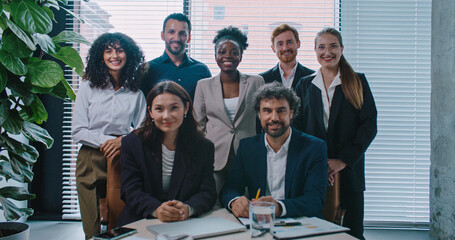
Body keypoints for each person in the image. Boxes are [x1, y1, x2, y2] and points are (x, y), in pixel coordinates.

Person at [293, 27, 377, 240]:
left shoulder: (357, 81)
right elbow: (298, 130)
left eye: (333, 46)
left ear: (341, 49)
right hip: (314, 171)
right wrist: (318, 162)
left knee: (353, 232)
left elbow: (369, 126)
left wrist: (342, 161)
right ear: (314, 50)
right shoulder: (304, 84)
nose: (327, 52)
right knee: (315, 231)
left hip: (349, 171)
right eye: (321, 47)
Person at [72, 32, 147, 239]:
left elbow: (142, 130)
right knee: (92, 225)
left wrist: (121, 141)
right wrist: (109, 141)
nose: (114, 55)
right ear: (101, 56)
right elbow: (78, 130)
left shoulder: (135, 93)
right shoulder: (88, 88)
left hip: (122, 157)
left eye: (120, 50)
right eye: (108, 51)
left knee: (119, 223)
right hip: (90, 157)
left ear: (128, 55)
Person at [220, 82, 328, 218]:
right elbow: (230, 188)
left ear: (291, 113)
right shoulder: (248, 147)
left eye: (281, 110)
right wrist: (235, 201)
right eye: (267, 111)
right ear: (259, 114)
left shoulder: (314, 148)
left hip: (301, 223)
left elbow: (315, 201)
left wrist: (278, 208)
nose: (274, 118)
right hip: (259, 223)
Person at [117, 81, 217, 226]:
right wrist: (156, 209)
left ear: (186, 108)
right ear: (150, 112)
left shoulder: (203, 147)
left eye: (174, 108)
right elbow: (130, 190)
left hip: (185, 222)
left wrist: (187, 209)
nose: (166, 116)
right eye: (159, 109)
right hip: (141, 220)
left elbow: (208, 192)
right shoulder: (133, 143)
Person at [193, 26, 264, 196]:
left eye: (234, 51)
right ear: (215, 55)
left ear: (241, 55)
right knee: (214, 203)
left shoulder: (256, 82)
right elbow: (198, 124)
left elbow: (263, 120)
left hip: (248, 155)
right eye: (222, 51)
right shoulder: (204, 85)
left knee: (247, 204)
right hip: (215, 158)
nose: (227, 56)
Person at [138, 13, 211, 99]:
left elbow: (209, 106)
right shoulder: (147, 69)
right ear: (163, 35)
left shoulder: (202, 70)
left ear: (189, 38)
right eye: (171, 32)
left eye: (182, 33)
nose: (177, 38)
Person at [259, 24, 314, 89]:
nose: (285, 48)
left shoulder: (312, 77)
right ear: (273, 48)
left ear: (298, 44)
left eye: (289, 42)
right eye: (280, 44)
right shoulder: (263, 80)